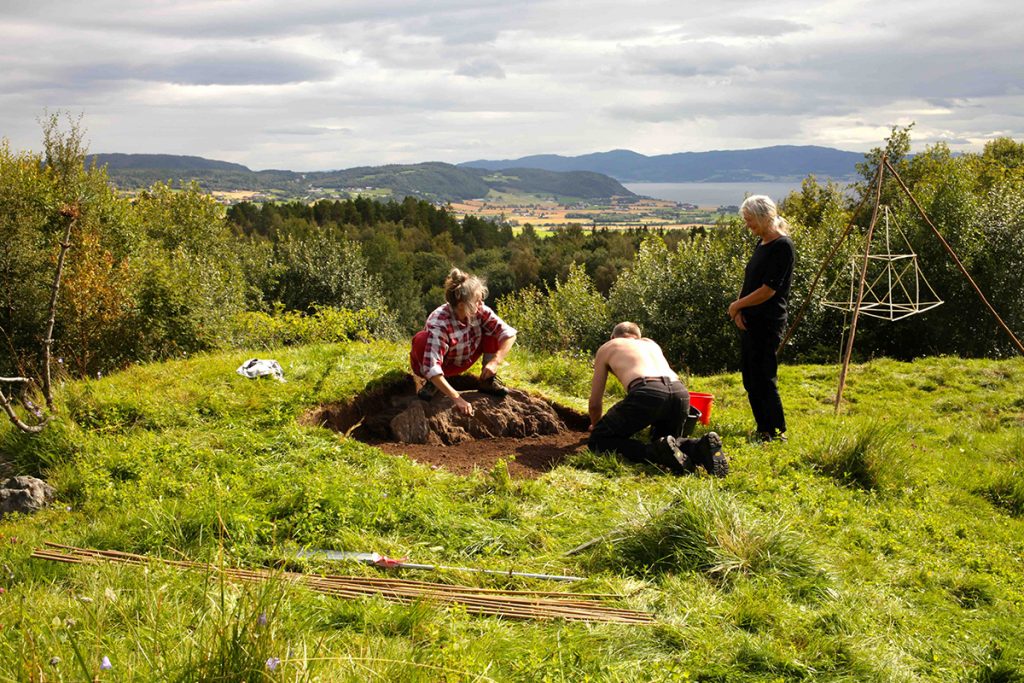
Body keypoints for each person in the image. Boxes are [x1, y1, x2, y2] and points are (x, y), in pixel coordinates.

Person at [588, 322, 727, 477]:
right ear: (638, 337)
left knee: (598, 440)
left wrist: (595, 425)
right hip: (680, 393)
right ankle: (699, 446)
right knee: (667, 441)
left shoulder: (608, 347)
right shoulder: (651, 344)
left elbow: (594, 403)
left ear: (612, 337)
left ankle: (653, 452)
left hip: (648, 391)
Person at [728, 195, 796, 443]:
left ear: (764, 217)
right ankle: (763, 429)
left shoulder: (782, 246)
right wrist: (738, 311)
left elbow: (769, 289)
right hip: (750, 319)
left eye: (750, 220)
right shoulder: (762, 243)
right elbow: (750, 281)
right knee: (750, 376)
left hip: (768, 321)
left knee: (764, 376)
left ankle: (777, 432)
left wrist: (737, 305)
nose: (748, 226)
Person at [410, 268, 517, 416]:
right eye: (477, 301)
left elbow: (509, 334)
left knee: (493, 330)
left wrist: (495, 361)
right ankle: (432, 384)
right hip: (442, 365)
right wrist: (457, 398)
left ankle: (487, 381)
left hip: (466, 357)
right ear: (461, 305)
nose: (481, 303)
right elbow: (431, 367)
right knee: (421, 340)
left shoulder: (480, 310)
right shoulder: (439, 323)